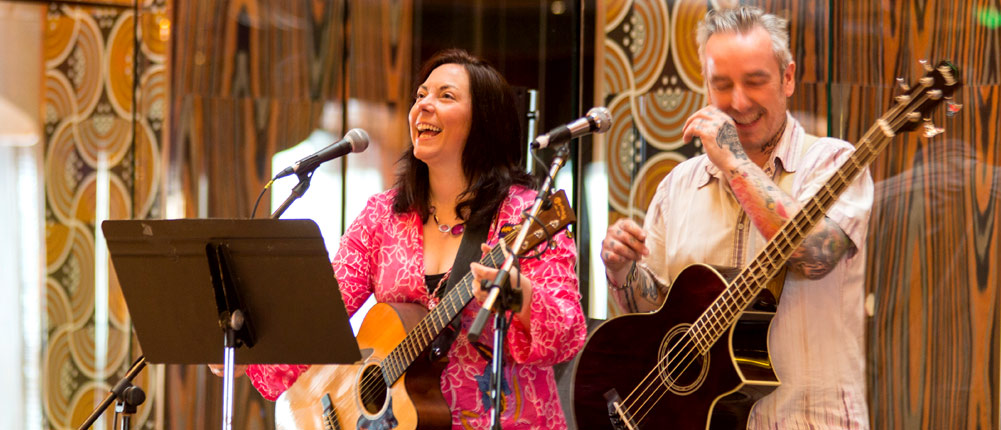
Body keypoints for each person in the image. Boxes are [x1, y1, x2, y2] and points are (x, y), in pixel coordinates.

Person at [221, 49, 587, 429]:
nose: (423, 105)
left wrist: (521, 295)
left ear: (485, 122)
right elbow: (321, 313)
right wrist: (249, 354)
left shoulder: (527, 216)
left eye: (446, 96)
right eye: (420, 95)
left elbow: (568, 333)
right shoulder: (382, 216)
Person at [601, 6, 873, 429]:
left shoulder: (834, 162)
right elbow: (656, 316)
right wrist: (622, 270)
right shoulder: (678, 186)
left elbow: (813, 254)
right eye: (722, 84)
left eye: (755, 81)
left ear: (787, 78)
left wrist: (734, 163)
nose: (739, 102)